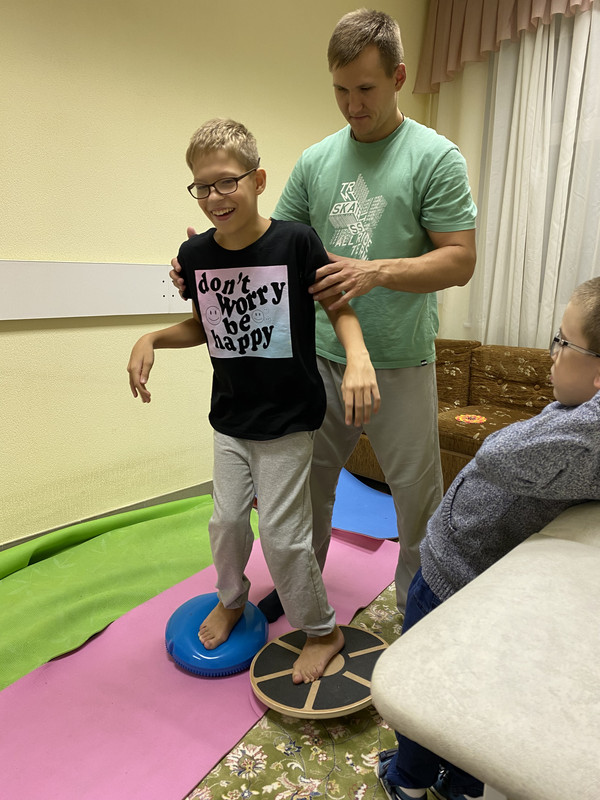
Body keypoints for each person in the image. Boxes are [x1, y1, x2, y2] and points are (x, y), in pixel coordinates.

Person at [170, 10, 477, 618]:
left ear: (398, 77)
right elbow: (267, 246)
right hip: (317, 358)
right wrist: (204, 262)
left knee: (416, 499)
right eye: (340, 89)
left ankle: (417, 606)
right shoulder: (316, 161)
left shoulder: (436, 158)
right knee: (307, 493)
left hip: (400, 361)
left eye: (365, 88)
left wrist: (374, 271)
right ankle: (299, 598)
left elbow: (460, 260)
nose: (352, 105)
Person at [127, 118, 380, 684]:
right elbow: (207, 325)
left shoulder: (296, 242)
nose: (215, 196)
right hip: (230, 419)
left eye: (227, 181)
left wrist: (358, 358)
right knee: (225, 523)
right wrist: (152, 338)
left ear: (258, 180)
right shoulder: (195, 254)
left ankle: (323, 630)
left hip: (288, 422)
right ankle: (232, 598)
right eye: (202, 186)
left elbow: (338, 308)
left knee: (284, 539)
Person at [376, 276, 600, 800]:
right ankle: (461, 784)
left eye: (563, 342)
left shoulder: (588, 434)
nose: (552, 355)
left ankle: (408, 780)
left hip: (456, 569)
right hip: (487, 573)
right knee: (471, 693)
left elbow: (495, 452)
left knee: (423, 685)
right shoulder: (578, 417)